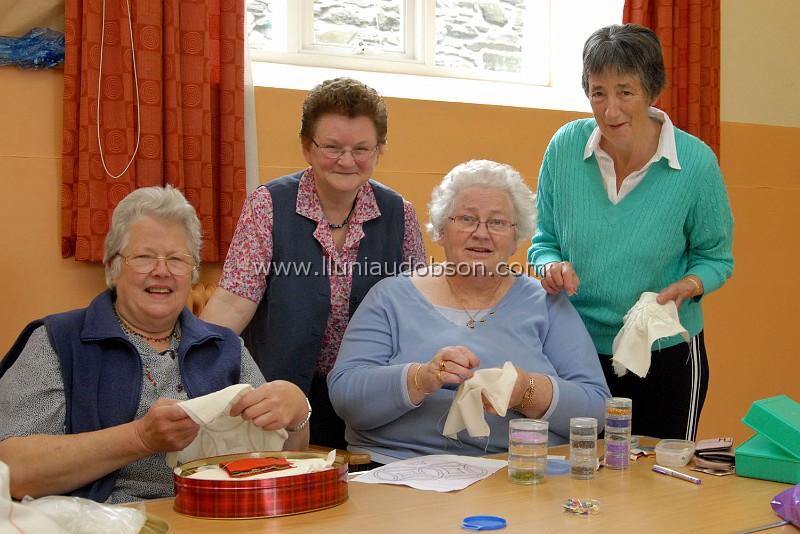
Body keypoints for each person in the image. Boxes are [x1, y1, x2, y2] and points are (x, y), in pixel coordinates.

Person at [0, 186, 311, 504]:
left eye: (177, 259)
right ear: (112, 267)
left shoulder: (224, 347)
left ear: (192, 272)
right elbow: (11, 470)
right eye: (144, 257)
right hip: (102, 522)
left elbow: (278, 460)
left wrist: (298, 412)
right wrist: (139, 438)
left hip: (217, 519)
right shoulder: (57, 341)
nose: (162, 271)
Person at [327, 160, 610, 465]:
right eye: (466, 218)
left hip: (521, 472)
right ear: (441, 230)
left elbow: (596, 408)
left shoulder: (546, 302)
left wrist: (525, 391)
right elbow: (346, 395)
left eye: (498, 222)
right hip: (399, 470)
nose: (481, 233)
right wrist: (420, 378)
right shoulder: (390, 297)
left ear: (516, 238)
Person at [528, 24, 734, 441]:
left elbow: (716, 259)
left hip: (664, 353)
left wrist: (690, 284)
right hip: (574, 349)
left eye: (626, 92)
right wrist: (549, 265)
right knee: (575, 475)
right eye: (598, 92)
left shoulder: (695, 163)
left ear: (652, 91)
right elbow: (542, 240)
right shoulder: (565, 146)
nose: (610, 110)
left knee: (658, 484)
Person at [200, 77, 426, 449]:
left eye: (362, 148)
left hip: (366, 406)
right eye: (332, 147)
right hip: (277, 405)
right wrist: (185, 367)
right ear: (307, 148)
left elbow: (415, 315)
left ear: (379, 151)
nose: (347, 160)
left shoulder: (400, 215)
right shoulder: (267, 205)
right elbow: (232, 303)